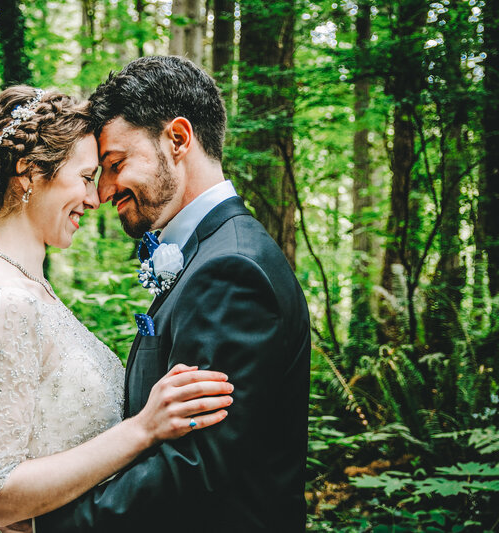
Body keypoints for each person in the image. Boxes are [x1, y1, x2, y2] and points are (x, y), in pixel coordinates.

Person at [33, 56, 311, 532]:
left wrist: (52, 525)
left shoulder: (231, 269)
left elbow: (194, 467)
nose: (103, 192)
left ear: (178, 140)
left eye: (116, 164)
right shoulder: (213, 252)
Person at [0, 86, 234, 531]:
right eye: (84, 178)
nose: (96, 199)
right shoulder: (2, 301)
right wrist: (142, 430)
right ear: (29, 173)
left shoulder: (33, 289)